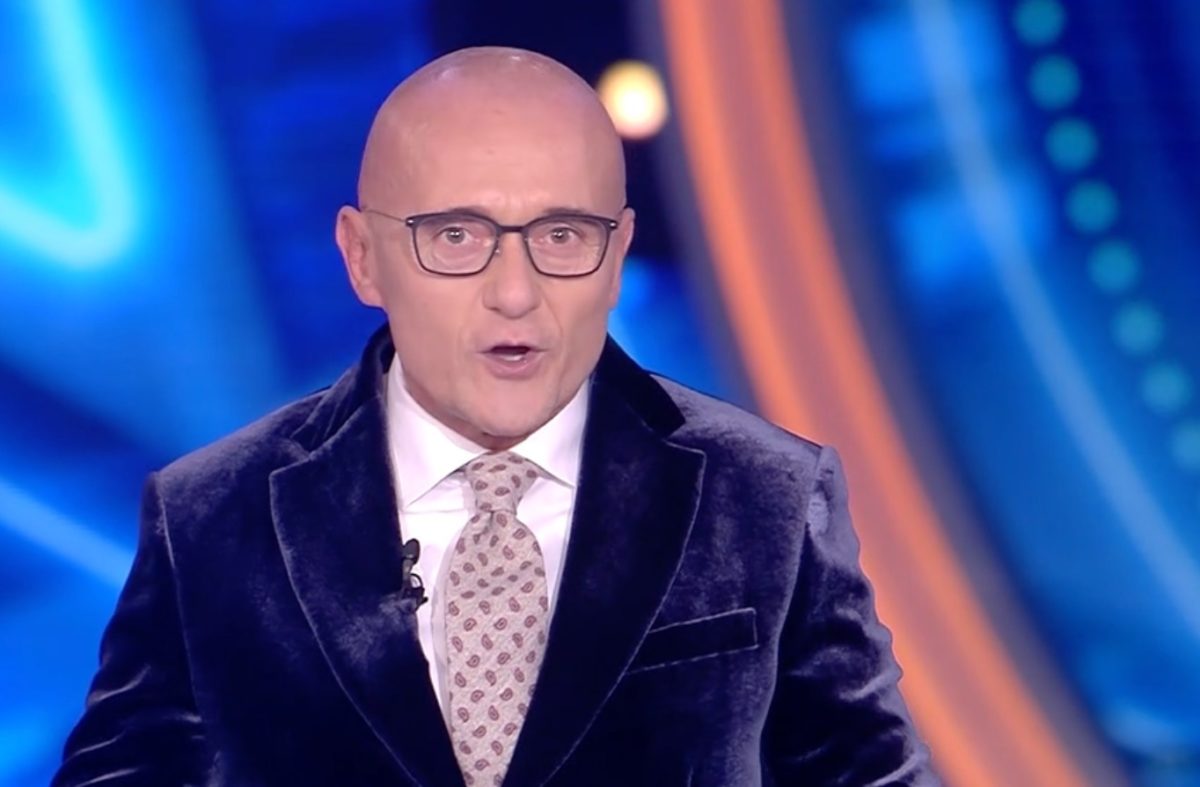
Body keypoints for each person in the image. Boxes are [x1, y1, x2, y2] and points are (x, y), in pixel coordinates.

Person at [54, 46, 937, 786]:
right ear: (362, 258)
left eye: (562, 236)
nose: (515, 292)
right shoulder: (212, 517)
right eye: (457, 237)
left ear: (618, 255)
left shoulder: (765, 496)